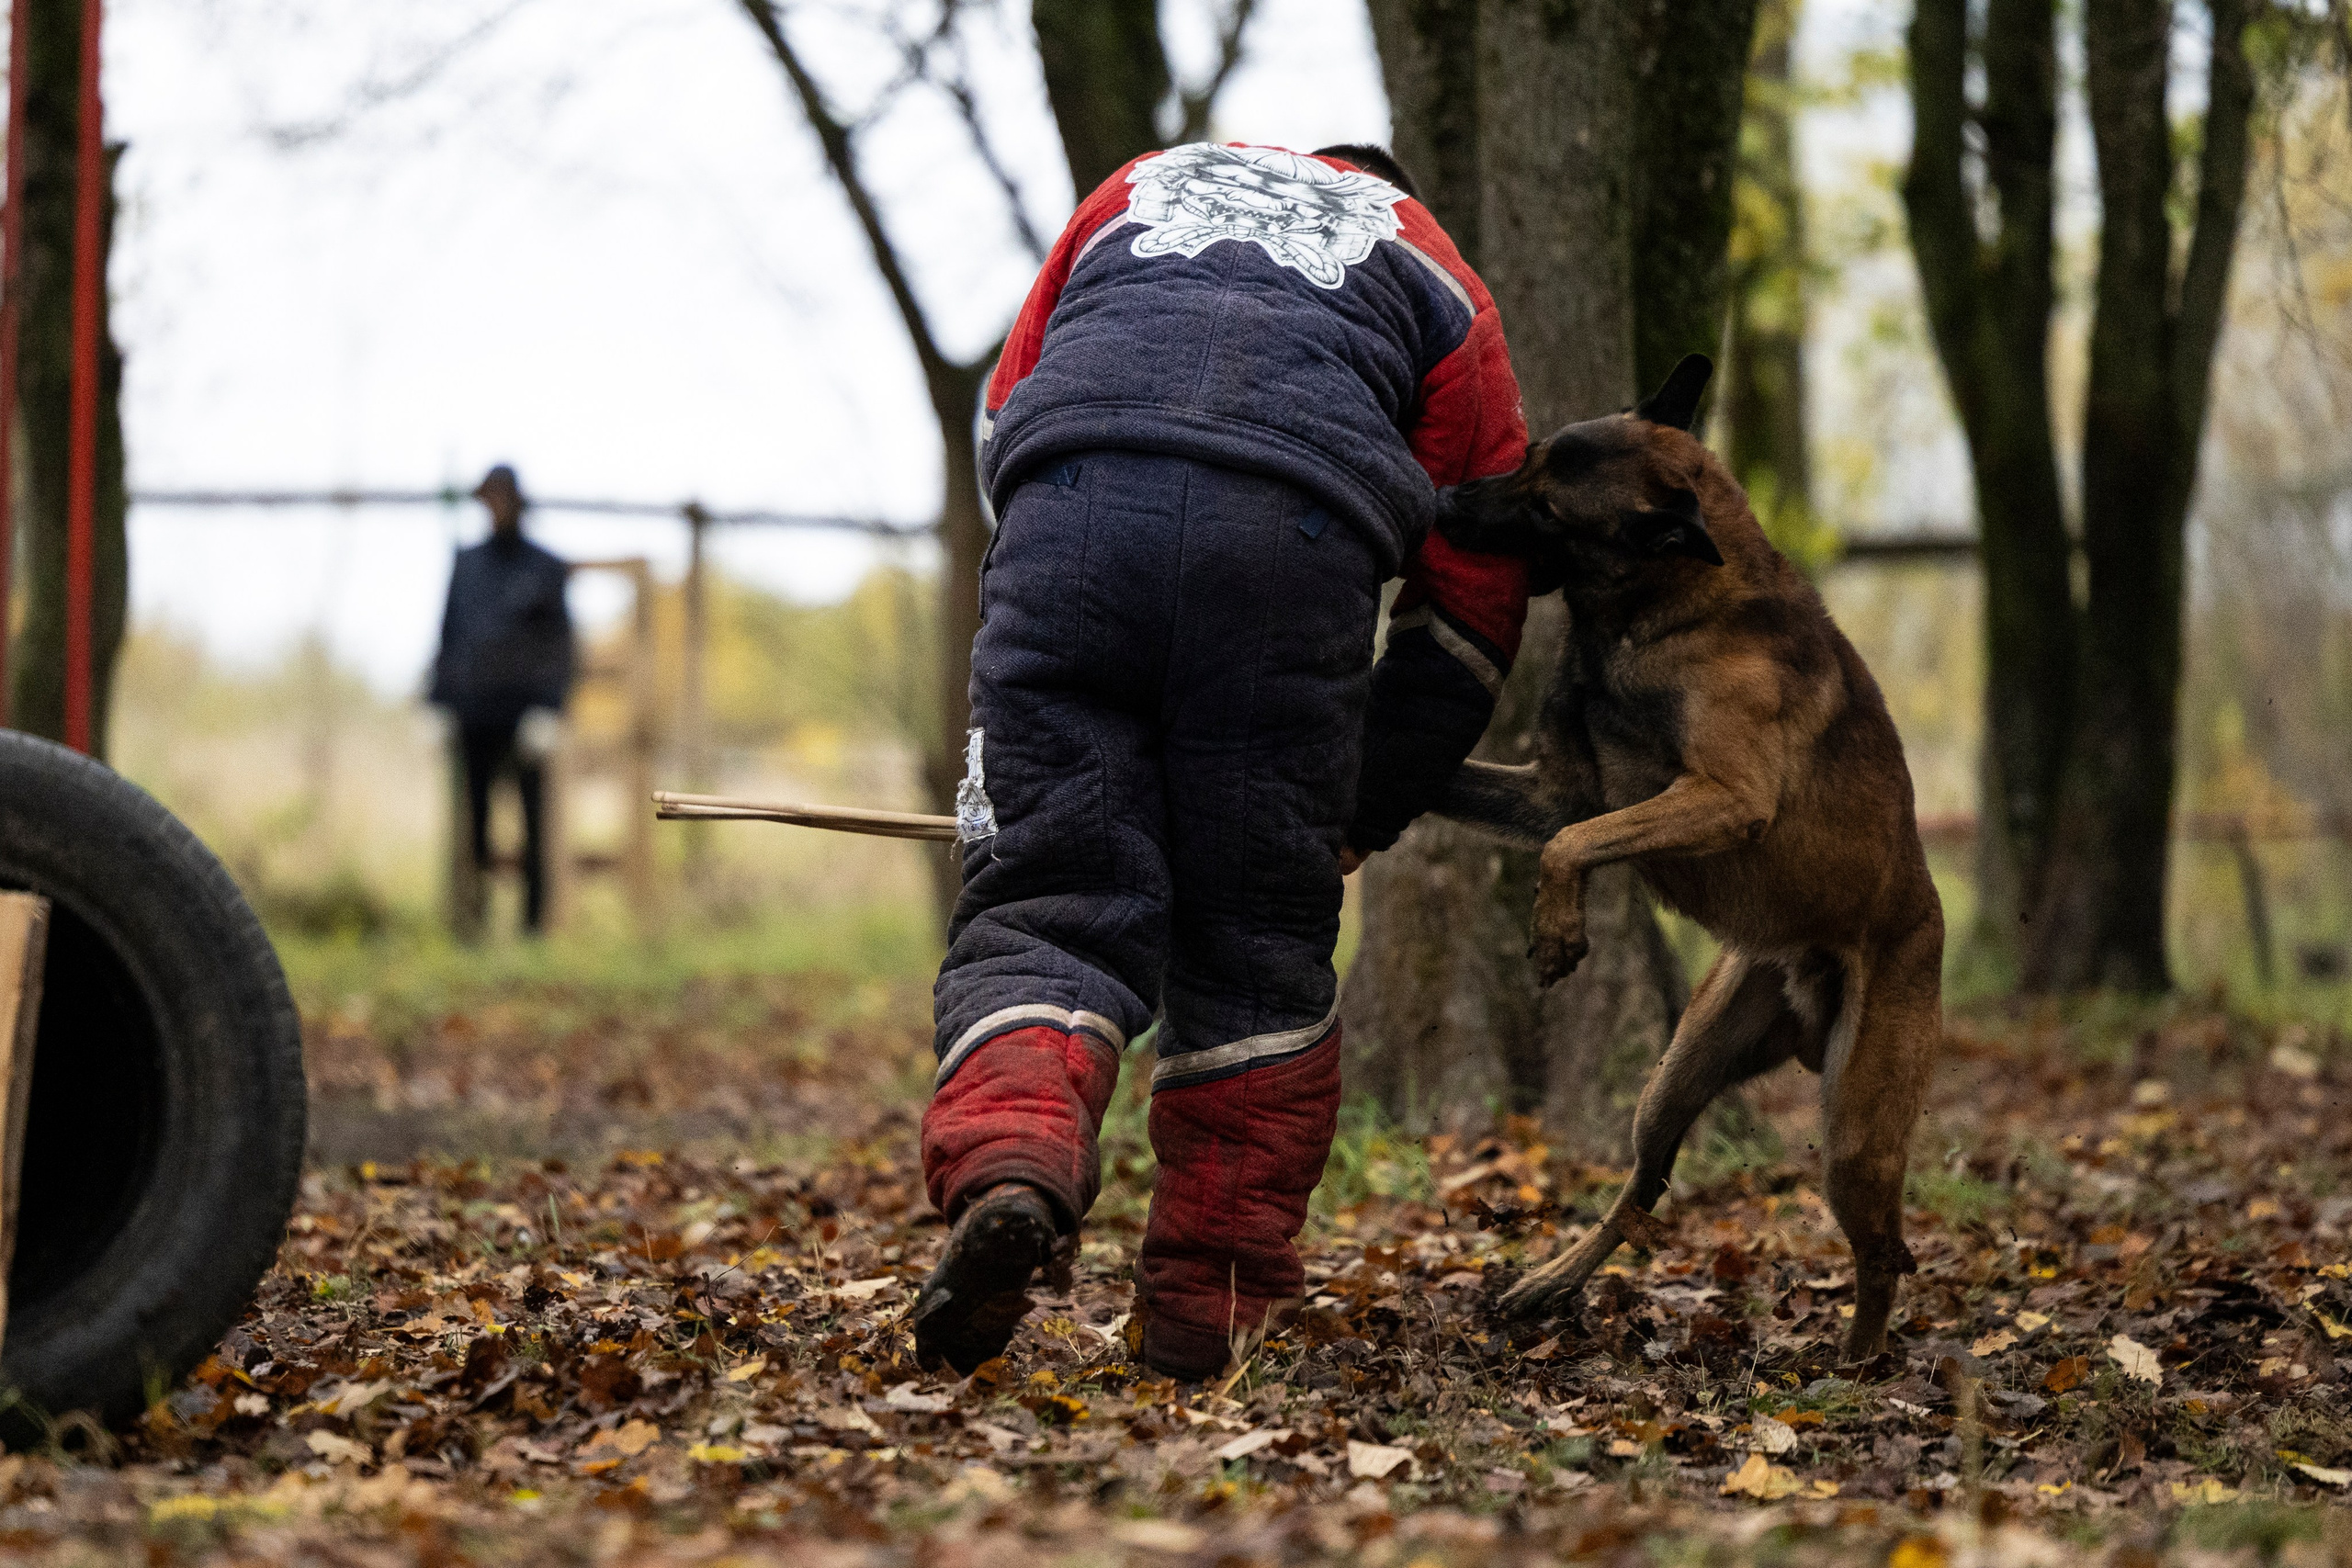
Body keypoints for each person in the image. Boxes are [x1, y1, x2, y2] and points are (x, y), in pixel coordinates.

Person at [913, 142, 1534, 1380]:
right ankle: (1207, 1307)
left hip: (1069, 509)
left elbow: (1003, 414)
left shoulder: (1137, 188)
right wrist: (1362, 800)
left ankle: (1016, 1162)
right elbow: (1480, 579)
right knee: (1255, 949)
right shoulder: (1441, 275)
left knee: (1045, 899)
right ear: (1395, 185)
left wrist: (1068, 580)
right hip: (1289, 547)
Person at [429, 465, 574, 935]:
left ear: (515, 502)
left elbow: (561, 643)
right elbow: (448, 634)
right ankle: (474, 926)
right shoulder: (467, 563)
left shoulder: (546, 567)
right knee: (475, 825)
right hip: (473, 714)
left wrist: (550, 708)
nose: (493, 508)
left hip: (525, 714)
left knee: (534, 825)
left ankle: (533, 929)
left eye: (499, 498)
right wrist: (438, 700)